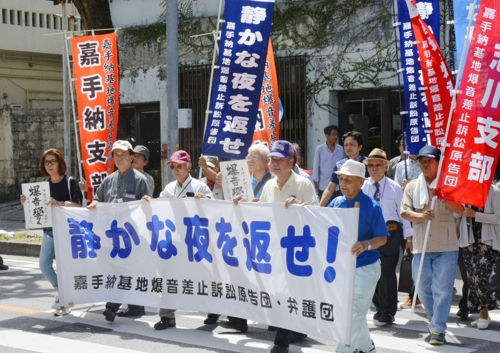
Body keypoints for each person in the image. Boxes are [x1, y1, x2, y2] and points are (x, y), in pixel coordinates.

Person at [234, 140, 318, 353]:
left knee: (288, 292)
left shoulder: (303, 184)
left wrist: (301, 207)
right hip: (273, 248)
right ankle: (294, 330)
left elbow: (317, 213)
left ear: (291, 162)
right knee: (278, 292)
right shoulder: (269, 185)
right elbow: (261, 210)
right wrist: (243, 202)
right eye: (272, 159)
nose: (274, 163)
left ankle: (282, 341)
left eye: (279, 160)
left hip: (295, 250)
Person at [400, 145, 464, 346]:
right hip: (421, 245)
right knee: (423, 287)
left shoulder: (448, 184)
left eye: (429, 161)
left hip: (446, 245)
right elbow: (404, 212)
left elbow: (460, 209)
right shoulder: (412, 186)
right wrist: (420, 216)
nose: (425, 165)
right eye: (422, 161)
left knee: (442, 289)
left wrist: (443, 195)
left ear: (439, 163)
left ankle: (437, 328)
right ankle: (433, 317)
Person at [144, 150, 212, 330]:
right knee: (168, 276)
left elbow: (215, 210)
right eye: (173, 166)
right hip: (173, 241)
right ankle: (167, 316)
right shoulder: (169, 188)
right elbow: (159, 206)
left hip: (195, 241)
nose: (175, 170)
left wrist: (205, 201)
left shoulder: (200, 187)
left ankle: (213, 309)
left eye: (179, 166)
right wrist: (149, 201)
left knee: (202, 277)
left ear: (189, 167)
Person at [87, 140, 151, 323]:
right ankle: (135, 305)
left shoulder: (140, 180)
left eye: (124, 155)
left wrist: (147, 201)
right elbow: (98, 198)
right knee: (116, 271)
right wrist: (94, 204)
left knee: (122, 271)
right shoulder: (109, 180)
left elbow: (147, 204)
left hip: (131, 237)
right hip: (111, 237)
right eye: (117, 155)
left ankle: (111, 307)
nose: (120, 158)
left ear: (132, 157)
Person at [328, 159, 388, 353]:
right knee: (352, 311)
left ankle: (342, 350)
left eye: (348, 180)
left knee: (352, 312)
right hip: (343, 268)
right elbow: (318, 220)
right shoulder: (336, 202)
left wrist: (366, 244)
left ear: (361, 182)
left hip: (366, 267)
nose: (343, 183)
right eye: (341, 179)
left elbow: (383, 238)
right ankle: (365, 346)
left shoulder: (371, 206)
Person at [20, 148, 83, 316]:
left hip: (67, 231)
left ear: (60, 163)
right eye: (46, 162)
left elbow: (78, 205)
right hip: (49, 230)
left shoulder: (70, 182)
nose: (49, 165)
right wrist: (26, 202)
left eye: (52, 161)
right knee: (44, 264)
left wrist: (61, 203)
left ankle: (64, 300)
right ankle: (63, 292)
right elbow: (36, 210)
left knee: (64, 267)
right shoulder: (42, 186)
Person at [361, 149, 412, 326]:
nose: (374, 169)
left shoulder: (395, 187)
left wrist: (409, 238)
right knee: (371, 271)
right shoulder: (363, 186)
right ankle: (379, 305)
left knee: (387, 271)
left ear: (385, 167)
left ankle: (388, 311)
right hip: (369, 235)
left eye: (378, 165)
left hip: (391, 232)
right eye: (371, 165)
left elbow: (403, 213)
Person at [460, 184, 500, 329]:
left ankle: (484, 313)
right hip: (469, 240)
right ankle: (483, 313)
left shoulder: (495, 191)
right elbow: (459, 213)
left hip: (486, 242)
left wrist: (475, 215)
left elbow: (498, 217)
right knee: (472, 279)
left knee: (482, 278)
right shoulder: (467, 190)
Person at [319, 131, 368, 207]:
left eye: (351, 145)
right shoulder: (339, 165)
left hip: (364, 204)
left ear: (360, 147)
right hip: (345, 205)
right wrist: (319, 207)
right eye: (346, 145)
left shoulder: (368, 164)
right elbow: (330, 189)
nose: (348, 147)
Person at [312, 125, 344, 199]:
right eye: (333, 134)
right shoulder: (319, 149)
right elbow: (316, 165)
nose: (336, 137)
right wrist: (315, 180)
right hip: (324, 184)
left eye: (337, 134)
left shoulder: (340, 149)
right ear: (327, 135)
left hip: (337, 185)